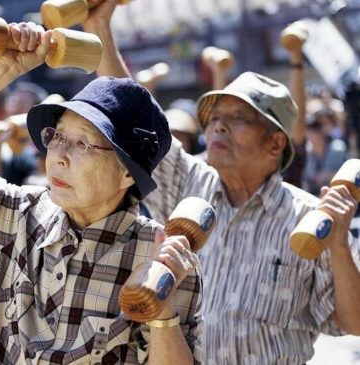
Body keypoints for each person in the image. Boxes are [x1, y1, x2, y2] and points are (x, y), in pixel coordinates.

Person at [0, 22, 202, 364]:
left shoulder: (160, 259)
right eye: (56, 136)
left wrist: (162, 315)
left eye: (83, 143)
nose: (58, 155)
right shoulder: (18, 214)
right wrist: (4, 68)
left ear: (127, 174)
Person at [86, 1, 360, 363]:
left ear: (275, 142)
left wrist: (339, 246)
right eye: (214, 118)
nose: (218, 126)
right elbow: (132, 110)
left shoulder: (309, 219)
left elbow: (354, 322)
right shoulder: (190, 183)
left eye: (237, 118)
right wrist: (100, 27)